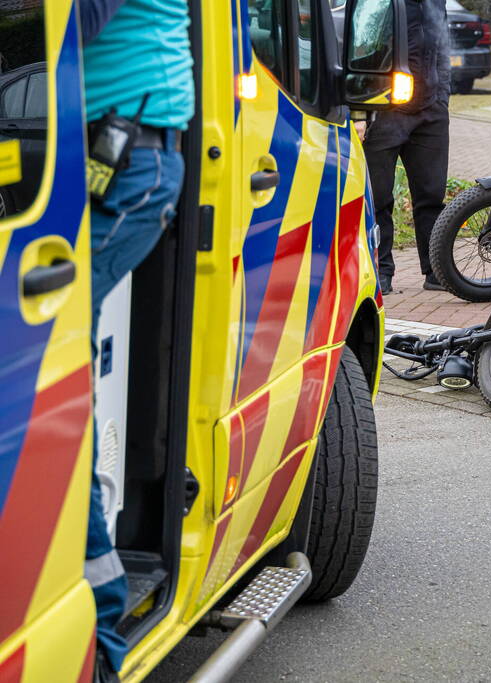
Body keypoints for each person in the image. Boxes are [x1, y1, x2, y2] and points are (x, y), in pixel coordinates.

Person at [80, 1, 194, 678]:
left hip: (124, 159)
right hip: (123, 155)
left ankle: (97, 644)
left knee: (51, 385)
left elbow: (63, 27)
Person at [363, 0, 451, 295]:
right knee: (378, 197)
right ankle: (381, 271)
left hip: (431, 111)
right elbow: (362, 44)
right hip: (385, 109)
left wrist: (442, 99)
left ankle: (435, 272)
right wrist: (362, 109)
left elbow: (442, 48)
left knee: (431, 196)